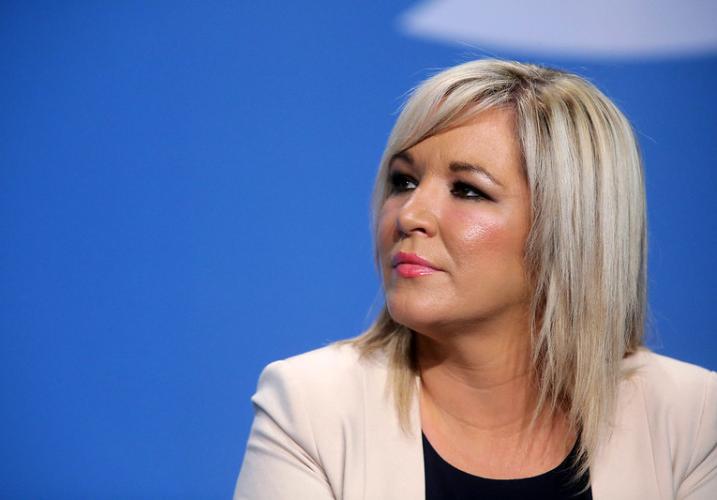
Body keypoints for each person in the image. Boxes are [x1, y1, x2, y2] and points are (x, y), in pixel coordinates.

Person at [233, 59, 717, 499]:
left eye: (467, 190)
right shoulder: (310, 405)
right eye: (404, 181)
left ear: (570, 229)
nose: (409, 214)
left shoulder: (693, 416)